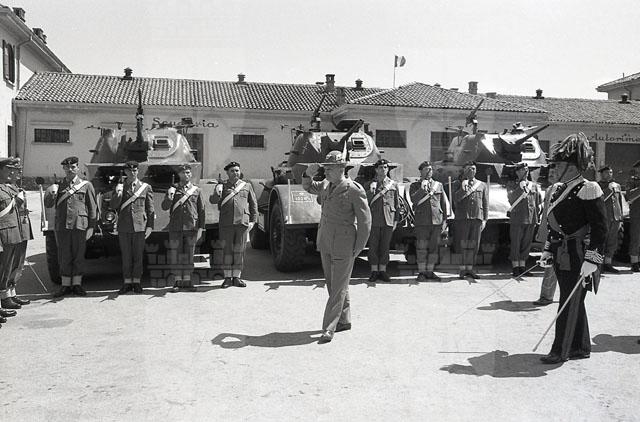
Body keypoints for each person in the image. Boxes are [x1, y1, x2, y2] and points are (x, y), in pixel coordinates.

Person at [539, 133, 606, 364]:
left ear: (572, 167)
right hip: (561, 252)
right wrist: (548, 249)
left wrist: (593, 260)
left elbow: (600, 229)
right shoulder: (560, 189)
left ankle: (561, 350)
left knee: (568, 301)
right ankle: (580, 346)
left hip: (578, 254)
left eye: (558, 165)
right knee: (574, 299)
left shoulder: (589, 188)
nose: (554, 169)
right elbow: (555, 226)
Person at [303, 151, 371, 344]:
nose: (326, 172)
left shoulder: (354, 190)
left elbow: (365, 222)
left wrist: (359, 247)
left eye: (330, 169)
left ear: (341, 168)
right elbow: (308, 187)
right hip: (325, 241)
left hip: (344, 243)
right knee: (334, 284)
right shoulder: (326, 185)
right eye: (325, 168)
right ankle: (344, 320)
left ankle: (329, 328)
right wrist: (307, 174)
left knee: (338, 288)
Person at [43, 156, 98, 297]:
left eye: (73, 167)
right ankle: (66, 285)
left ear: (77, 168)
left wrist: (91, 227)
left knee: (78, 256)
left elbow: (92, 208)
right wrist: (52, 193)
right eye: (67, 167)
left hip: (80, 225)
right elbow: (48, 205)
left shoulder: (86, 185)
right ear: (63, 169)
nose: (70, 169)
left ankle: (77, 284)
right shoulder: (58, 186)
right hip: (62, 226)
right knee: (64, 256)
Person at [110, 161, 154, 294]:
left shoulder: (145, 187)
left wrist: (150, 226)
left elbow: (150, 208)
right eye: (129, 170)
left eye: (134, 170)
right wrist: (118, 194)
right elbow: (113, 205)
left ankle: (137, 282)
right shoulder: (120, 187)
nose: (132, 172)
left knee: (138, 256)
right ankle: (127, 282)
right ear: (125, 172)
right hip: (124, 226)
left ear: (138, 171)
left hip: (140, 226)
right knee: (126, 256)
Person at [211, 161, 257, 288]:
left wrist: (253, 221)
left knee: (239, 250)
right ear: (227, 173)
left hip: (242, 222)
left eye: (237, 170)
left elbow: (253, 204)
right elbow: (212, 200)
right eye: (232, 171)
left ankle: (237, 277)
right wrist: (217, 193)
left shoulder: (247, 186)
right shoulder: (222, 186)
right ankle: (227, 277)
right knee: (227, 250)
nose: (235, 173)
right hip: (226, 223)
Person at [162, 164, 205, 292]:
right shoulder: (173, 189)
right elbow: (164, 207)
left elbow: (201, 210)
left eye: (188, 172)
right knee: (176, 255)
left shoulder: (197, 190)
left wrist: (201, 228)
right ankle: (177, 280)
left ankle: (187, 280)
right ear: (179, 175)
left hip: (191, 227)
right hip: (176, 227)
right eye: (183, 173)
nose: (186, 175)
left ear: (191, 174)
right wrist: (169, 198)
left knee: (189, 255)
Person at [410, 161, 448, 282]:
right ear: (421, 172)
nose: (429, 172)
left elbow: (443, 204)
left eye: (430, 169)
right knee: (421, 248)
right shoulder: (414, 185)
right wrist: (422, 189)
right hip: (422, 222)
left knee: (433, 248)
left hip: (436, 221)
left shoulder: (438, 185)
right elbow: (413, 200)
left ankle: (430, 271)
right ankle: (421, 272)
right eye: (426, 169)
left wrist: (445, 220)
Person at [364, 159, 399, 282]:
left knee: (385, 247)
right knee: (373, 247)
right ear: (376, 170)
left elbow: (396, 204)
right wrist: (370, 191)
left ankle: (383, 270)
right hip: (373, 220)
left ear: (387, 169)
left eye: (385, 167)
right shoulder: (369, 184)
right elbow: (364, 203)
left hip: (388, 220)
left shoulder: (393, 184)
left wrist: (395, 221)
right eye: (380, 167)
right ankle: (374, 270)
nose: (383, 169)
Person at [452, 161, 488, 279]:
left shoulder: (482, 185)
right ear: (464, 170)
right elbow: (456, 199)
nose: (471, 171)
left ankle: (470, 268)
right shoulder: (457, 184)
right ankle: (463, 270)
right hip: (463, 218)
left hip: (477, 218)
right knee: (463, 244)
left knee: (474, 245)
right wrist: (463, 186)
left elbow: (485, 203)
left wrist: (485, 219)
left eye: (473, 169)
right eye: (469, 169)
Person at [5, 158, 33, 307]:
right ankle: (5, 295)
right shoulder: (5, 188)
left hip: (22, 228)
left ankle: (12, 292)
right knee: (8, 264)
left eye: (19, 170)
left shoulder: (16, 187)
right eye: (16, 170)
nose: (18, 173)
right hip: (12, 229)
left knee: (18, 263)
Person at [506, 163, 542, 276]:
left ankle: (522, 266)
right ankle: (515, 266)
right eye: (522, 170)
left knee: (527, 243)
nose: (526, 172)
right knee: (516, 243)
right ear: (517, 172)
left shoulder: (533, 185)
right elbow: (511, 199)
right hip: (517, 218)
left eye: (527, 170)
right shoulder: (512, 184)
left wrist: (537, 216)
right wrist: (519, 188)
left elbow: (537, 202)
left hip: (531, 218)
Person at [0, 157, 24, 321]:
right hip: (3, 235)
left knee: (5, 271)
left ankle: (3, 301)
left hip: (11, 234)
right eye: (8, 169)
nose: (12, 172)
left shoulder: (7, 188)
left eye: (13, 169)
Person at [533, 165, 559, 306]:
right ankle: (547, 295)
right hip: (548, 232)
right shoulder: (550, 189)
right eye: (550, 172)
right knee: (550, 265)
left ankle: (547, 296)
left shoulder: (561, 189)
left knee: (553, 266)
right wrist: (542, 231)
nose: (551, 175)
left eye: (554, 172)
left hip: (557, 234)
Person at [597, 166, 624, 273]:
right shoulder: (597, 186)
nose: (609, 175)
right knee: (601, 241)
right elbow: (599, 200)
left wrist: (620, 216)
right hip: (604, 217)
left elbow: (619, 201)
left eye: (611, 172)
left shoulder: (616, 185)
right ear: (601, 174)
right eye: (607, 173)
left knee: (612, 241)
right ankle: (599, 264)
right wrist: (608, 189)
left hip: (615, 217)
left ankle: (608, 263)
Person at [625, 160, 640, 272]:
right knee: (636, 237)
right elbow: (629, 197)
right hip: (637, 213)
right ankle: (634, 262)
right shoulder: (632, 181)